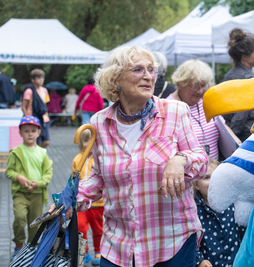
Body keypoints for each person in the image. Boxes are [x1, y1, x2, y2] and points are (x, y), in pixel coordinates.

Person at [49, 46, 208, 267]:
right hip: (119, 244)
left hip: (171, 241)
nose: (148, 76)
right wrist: (72, 201)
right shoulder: (99, 122)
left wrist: (179, 160)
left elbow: (201, 161)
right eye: (138, 69)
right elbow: (99, 175)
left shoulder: (175, 112)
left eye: (151, 70)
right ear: (116, 79)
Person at [168, 59, 241, 160]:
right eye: (195, 86)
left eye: (203, 85)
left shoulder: (205, 102)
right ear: (181, 83)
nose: (200, 91)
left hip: (213, 169)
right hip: (190, 173)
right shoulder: (169, 108)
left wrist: (237, 145)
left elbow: (222, 126)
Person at [5, 115, 53, 259]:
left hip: (37, 194)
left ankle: (32, 247)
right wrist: (19, 177)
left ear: (39, 133)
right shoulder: (16, 152)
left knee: (35, 224)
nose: (30, 134)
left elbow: (48, 174)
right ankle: (19, 245)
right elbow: (9, 171)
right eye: (26, 131)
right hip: (21, 193)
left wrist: (38, 183)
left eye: (33, 131)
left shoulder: (42, 153)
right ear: (20, 133)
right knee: (19, 218)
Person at [194, 158, 245, 267]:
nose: (213, 181)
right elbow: (191, 241)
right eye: (207, 178)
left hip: (236, 261)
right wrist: (199, 260)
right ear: (196, 185)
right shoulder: (194, 210)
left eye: (216, 176)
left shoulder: (233, 203)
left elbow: (244, 232)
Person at [221, 28, 254, 142]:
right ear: (245, 57)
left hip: (229, 131)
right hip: (244, 136)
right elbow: (241, 116)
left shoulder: (228, 75)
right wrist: (234, 140)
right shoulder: (249, 79)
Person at [73, 129, 103, 266]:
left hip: (99, 204)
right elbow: (73, 178)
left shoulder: (100, 159)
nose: (89, 144)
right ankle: (84, 252)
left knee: (98, 229)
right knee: (80, 227)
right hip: (81, 203)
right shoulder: (77, 159)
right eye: (86, 141)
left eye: (91, 141)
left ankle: (99, 251)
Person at [21, 69, 51, 148]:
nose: (41, 80)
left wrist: (46, 116)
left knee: (46, 141)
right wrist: (27, 117)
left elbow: (45, 104)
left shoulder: (44, 90)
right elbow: (23, 106)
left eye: (42, 78)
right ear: (32, 79)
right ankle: (37, 158)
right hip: (33, 118)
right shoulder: (29, 91)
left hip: (44, 119)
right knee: (36, 142)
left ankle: (39, 154)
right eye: (38, 78)